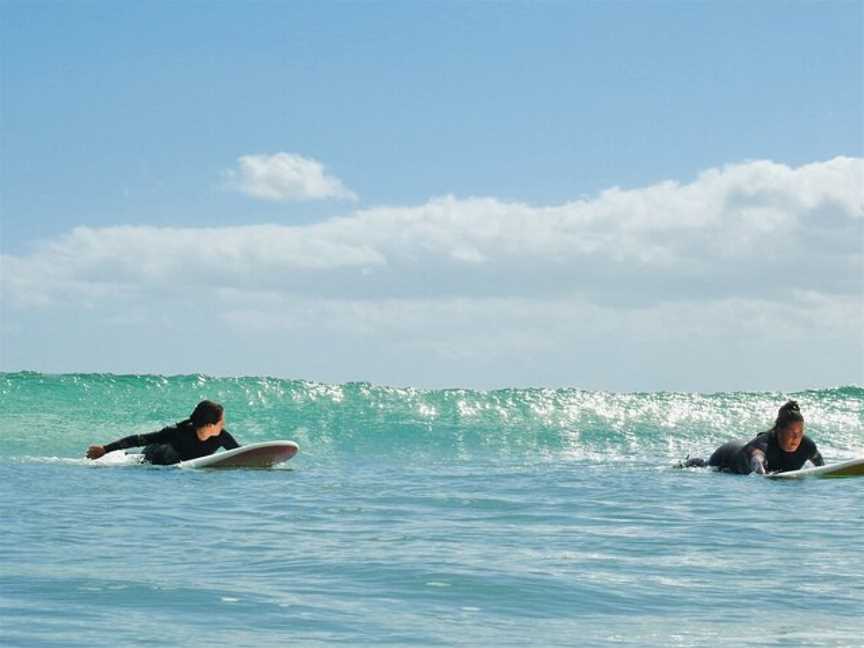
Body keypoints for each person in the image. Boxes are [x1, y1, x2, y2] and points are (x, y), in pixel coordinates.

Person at [682, 400, 824, 475]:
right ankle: (688, 462)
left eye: (800, 432)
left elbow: (818, 461)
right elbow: (757, 459)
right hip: (728, 456)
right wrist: (762, 473)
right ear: (779, 430)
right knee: (708, 466)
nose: (796, 437)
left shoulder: (807, 445)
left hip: (744, 447)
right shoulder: (765, 443)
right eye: (791, 432)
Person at [86, 400, 239, 465]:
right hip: (153, 455)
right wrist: (105, 449)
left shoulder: (221, 436)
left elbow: (240, 453)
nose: (224, 424)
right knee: (167, 451)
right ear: (210, 425)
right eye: (221, 421)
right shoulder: (176, 432)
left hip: (181, 461)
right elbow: (141, 439)